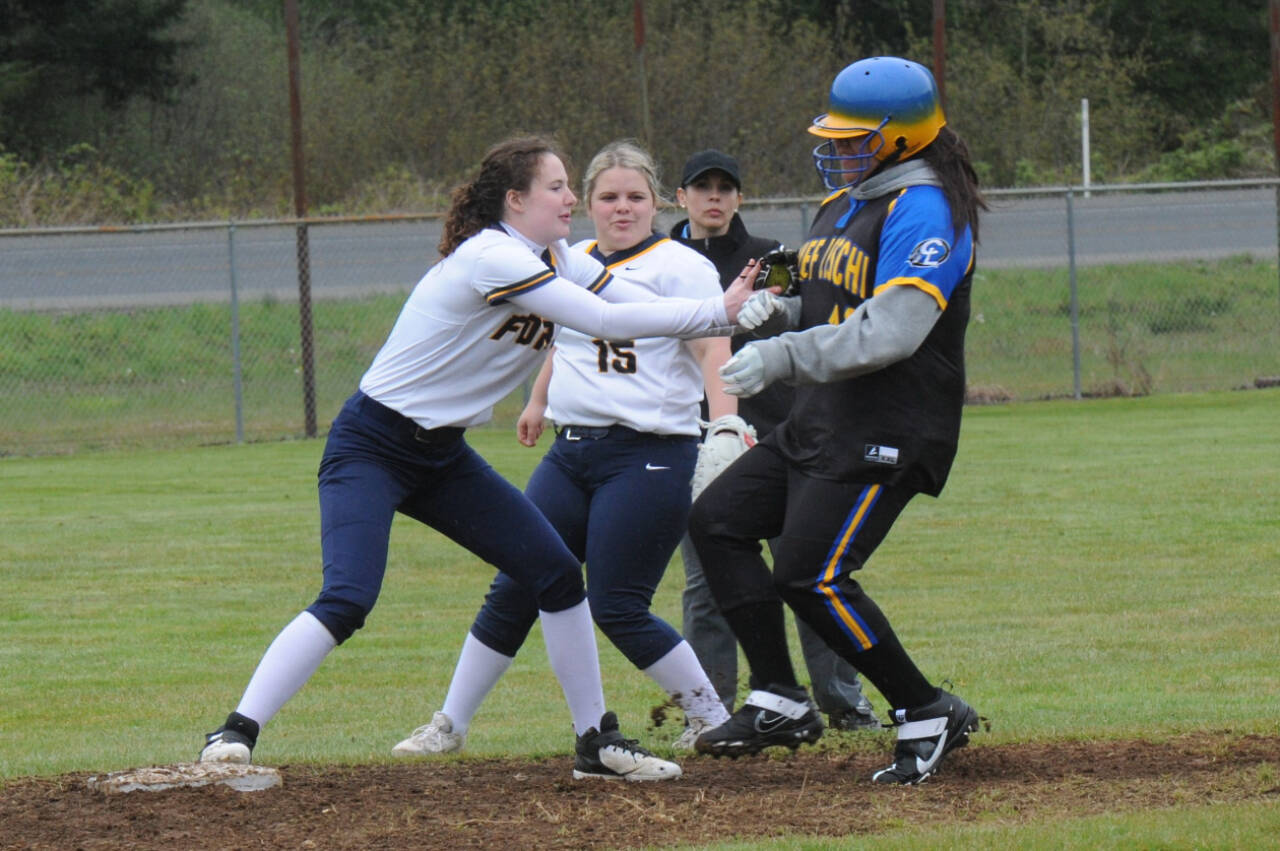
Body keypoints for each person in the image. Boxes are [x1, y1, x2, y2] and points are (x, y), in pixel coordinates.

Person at [197, 135, 759, 782]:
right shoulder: (492, 254)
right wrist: (717, 308)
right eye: (557, 186)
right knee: (349, 595)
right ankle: (236, 728)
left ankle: (594, 741)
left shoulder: (552, 254)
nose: (571, 197)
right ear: (515, 199)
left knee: (554, 574)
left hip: (441, 454)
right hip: (373, 444)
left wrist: (722, 313)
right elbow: (604, 321)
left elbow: (628, 301)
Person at [688, 57, 986, 785]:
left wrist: (786, 351)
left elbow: (893, 329)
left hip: (888, 423)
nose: (840, 148)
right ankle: (780, 697)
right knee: (717, 520)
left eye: (856, 136)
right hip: (821, 421)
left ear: (903, 137)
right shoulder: (851, 196)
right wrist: (780, 307)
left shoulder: (927, 204)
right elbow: (826, 293)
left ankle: (924, 709)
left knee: (811, 574)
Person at [390, 140, 736, 758]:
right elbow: (562, 337)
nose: (621, 208)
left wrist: (727, 423)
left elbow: (712, 346)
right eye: (608, 196)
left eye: (635, 197)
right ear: (589, 203)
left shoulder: (678, 265)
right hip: (572, 449)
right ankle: (450, 724)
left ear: (656, 202)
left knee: (616, 601)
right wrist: (538, 400)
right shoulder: (567, 257)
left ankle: (711, 717)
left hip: (648, 449)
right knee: (517, 583)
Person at [669, 149, 881, 733]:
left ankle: (842, 700)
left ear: (739, 198)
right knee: (708, 583)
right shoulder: (662, 262)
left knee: (807, 569)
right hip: (699, 437)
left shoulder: (771, 258)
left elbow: (809, 326)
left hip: (783, 433)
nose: (714, 197)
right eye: (702, 186)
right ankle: (711, 711)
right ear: (680, 196)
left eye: (725, 187)